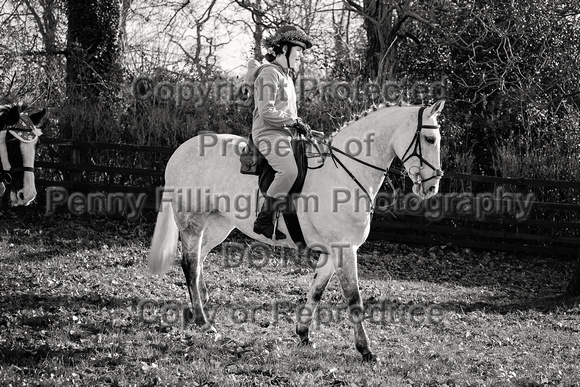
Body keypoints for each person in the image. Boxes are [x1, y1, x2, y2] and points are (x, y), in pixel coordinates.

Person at [244, 25, 313, 240]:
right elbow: (266, 111)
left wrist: (299, 125)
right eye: (298, 50)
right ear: (284, 48)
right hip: (268, 133)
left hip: (285, 134)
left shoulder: (287, 77)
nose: (301, 56)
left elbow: (286, 113)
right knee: (289, 172)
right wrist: (293, 120)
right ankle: (264, 219)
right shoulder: (269, 73)